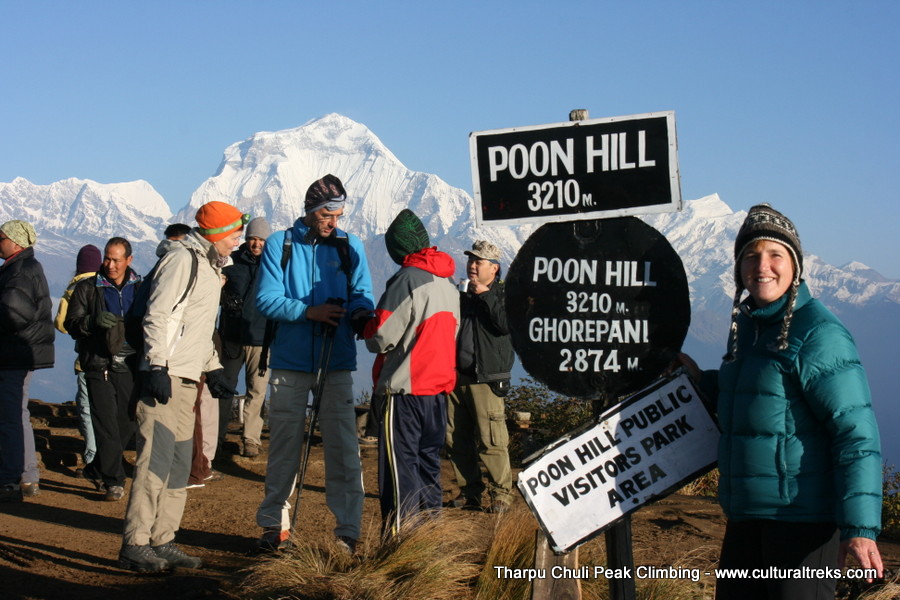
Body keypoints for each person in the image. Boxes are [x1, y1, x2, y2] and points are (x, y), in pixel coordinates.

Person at [679, 204, 883, 600]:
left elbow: (855, 433)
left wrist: (859, 528)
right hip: (747, 518)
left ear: (796, 267)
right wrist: (703, 381)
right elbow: (762, 398)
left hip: (802, 525)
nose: (762, 266)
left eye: (776, 254)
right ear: (738, 267)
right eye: (750, 255)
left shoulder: (818, 333)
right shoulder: (751, 327)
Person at [118, 202, 244, 573]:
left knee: (178, 465)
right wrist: (157, 365)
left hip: (189, 378)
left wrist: (213, 368)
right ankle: (136, 543)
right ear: (217, 234)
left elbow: (197, 329)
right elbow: (158, 316)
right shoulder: (181, 260)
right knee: (154, 462)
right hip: (166, 376)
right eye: (234, 234)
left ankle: (163, 539)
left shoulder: (209, 266)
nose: (237, 241)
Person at [254, 174, 374, 554]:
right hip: (290, 362)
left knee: (343, 449)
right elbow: (266, 299)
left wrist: (359, 313)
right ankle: (274, 527)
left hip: (336, 360)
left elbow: (363, 293)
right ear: (310, 210)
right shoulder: (281, 244)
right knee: (284, 448)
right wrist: (310, 312)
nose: (333, 222)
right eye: (327, 214)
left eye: (338, 215)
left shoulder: (350, 245)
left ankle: (348, 532)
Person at [363, 209, 460, 535]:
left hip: (405, 392)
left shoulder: (406, 279)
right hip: (438, 393)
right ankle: (430, 542)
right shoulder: (447, 283)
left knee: (399, 473)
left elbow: (381, 336)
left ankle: (400, 546)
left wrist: (363, 324)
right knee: (428, 470)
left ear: (398, 248)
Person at [64, 237, 141, 501]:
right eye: (107, 258)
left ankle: (96, 467)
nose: (110, 265)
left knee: (127, 421)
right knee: (105, 422)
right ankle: (113, 481)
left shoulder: (140, 288)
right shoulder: (87, 288)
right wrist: (91, 322)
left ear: (129, 260)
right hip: (98, 363)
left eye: (116, 260)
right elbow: (71, 323)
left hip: (130, 364)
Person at [444, 240, 515, 514]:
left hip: (487, 378)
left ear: (494, 268)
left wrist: (485, 296)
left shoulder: (505, 294)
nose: (472, 266)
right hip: (456, 376)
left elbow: (505, 325)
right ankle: (470, 492)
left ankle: (501, 495)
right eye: (471, 260)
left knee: (492, 439)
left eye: (479, 261)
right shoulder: (463, 292)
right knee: (456, 439)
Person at [0, 220, 54, 502]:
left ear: (15, 242)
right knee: (17, 414)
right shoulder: (26, 267)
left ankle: (10, 478)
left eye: (1, 238)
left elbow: (13, 313)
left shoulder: (19, 270)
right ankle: (27, 474)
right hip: (22, 352)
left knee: (9, 416)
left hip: (13, 353)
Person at [217, 217, 272, 458]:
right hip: (232, 337)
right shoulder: (231, 261)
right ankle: (216, 438)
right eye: (252, 239)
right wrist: (224, 299)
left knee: (257, 390)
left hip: (262, 338)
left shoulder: (275, 264)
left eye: (261, 239)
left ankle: (251, 439)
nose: (256, 244)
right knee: (224, 387)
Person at [55, 244, 103, 475]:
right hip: (111, 358)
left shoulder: (75, 287)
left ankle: (92, 456)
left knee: (86, 407)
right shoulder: (108, 284)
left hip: (85, 357)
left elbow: (61, 324)